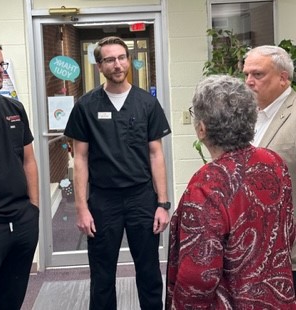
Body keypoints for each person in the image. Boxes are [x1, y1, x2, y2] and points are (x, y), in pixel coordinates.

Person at [166, 75, 296, 309]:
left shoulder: (207, 183)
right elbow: (288, 231)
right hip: (278, 299)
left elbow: (198, 276)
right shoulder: (274, 162)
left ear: (202, 129)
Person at [64, 36, 171, 310]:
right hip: (103, 201)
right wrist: (81, 208)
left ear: (128, 60)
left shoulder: (147, 103)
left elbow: (156, 154)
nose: (118, 64)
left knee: (148, 272)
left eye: (122, 57)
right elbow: (81, 159)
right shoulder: (86, 106)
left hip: (141, 198)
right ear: (99, 66)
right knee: (102, 275)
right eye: (110, 59)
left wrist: (162, 204)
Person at [0, 40, 39, 310]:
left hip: (22, 221)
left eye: (1, 64)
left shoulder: (14, 109)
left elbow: (29, 160)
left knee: (11, 300)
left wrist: (34, 209)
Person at [243, 45, 296, 288]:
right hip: (255, 248)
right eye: (246, 75)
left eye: (258, 74)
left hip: (289, 250)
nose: (249, 81)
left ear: (283, 78)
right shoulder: (249, 117)